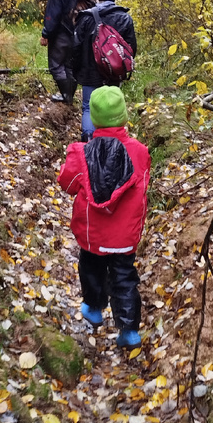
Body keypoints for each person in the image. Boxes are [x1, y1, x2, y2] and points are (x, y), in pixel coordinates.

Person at [58, 84, 150, 349]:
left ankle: (94, 308)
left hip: (92, 233)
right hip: (125, 236)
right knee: (124, 278)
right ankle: (129, 331)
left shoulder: (80, 153)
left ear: (94, 119)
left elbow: (66, 184)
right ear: (124, 116)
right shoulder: (140, 153)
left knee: (91, 268)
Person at [71, 0, 137, 141]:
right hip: (114, 71)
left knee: (88, 107)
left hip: (89, 71)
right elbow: (131, 48)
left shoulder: (86, 17)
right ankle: (113, 142)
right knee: (112, 107)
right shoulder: (125, 18)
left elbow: (76, 47)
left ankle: (89, 141)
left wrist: (75, 69)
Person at [36, 0, 77, 104]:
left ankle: (66, 97)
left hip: (59, 34)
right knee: (68, 65)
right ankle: (70, 95)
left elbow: (52, 15)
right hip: (72, 32)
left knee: (55, 66)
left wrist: (45, 34)